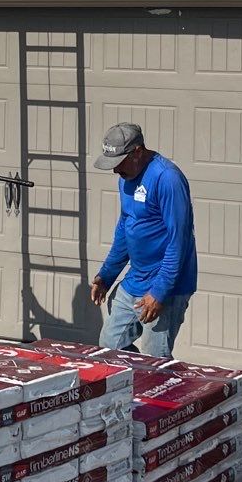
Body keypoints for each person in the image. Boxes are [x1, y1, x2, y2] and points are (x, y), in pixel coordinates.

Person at [89, 122, 197, 359]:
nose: (115, 171)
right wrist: (106, 275)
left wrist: (159, 292)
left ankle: (164, 390)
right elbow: (125, 229)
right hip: (136, 278)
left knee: (154, 360)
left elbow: (179, 242)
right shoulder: (126, 177)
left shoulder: (168, 179)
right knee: (109, 347)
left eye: (119, 163)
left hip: (166, 284)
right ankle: (132, 388)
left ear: (137, 151)